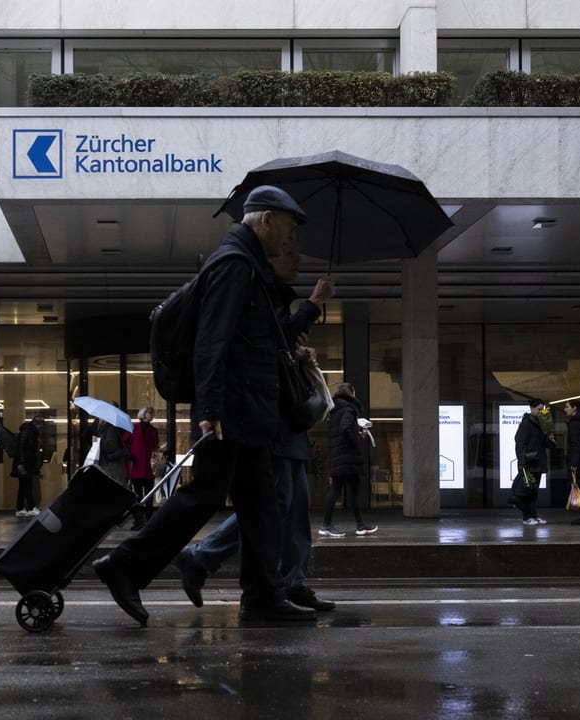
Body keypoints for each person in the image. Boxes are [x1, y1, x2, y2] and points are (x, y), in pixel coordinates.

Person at [92, 185, 316, 625]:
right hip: (230, 410)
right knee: (203, 495)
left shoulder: (251, 267)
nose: (288, 241)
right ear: (266, 220)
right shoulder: (234, 265)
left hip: (248, 411)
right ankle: (125, 565)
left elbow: (250, 340)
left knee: (262, 506)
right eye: (286, 230)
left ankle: (262, 596)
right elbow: (212, 342)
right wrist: (209, 409)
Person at [175, 240, 338, 612]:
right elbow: (261, 347)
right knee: (275, 503)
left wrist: (297, 350)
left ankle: (294, 580)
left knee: (295, 508)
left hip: (289, 418)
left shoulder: (272, 296)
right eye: (292, 252)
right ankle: (202, 556)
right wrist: (315, 301)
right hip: (274, 419)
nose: (298, 260)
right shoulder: (256, 290)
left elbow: (279, 345)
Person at [319, 382, 377, 537]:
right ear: (351, 393)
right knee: (344, 490)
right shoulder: (349, 409)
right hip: (347, 456)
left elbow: (339, 429)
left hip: (340, 455)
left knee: (344, 489)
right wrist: (357, 437)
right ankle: (326, 525)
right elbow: (345, 428)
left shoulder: (335, 410)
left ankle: (360, 525)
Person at [513, 398, 553, 525]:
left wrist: (550, 439)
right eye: (538, 409)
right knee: (527, 491)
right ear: (531, 408)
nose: (541, 412)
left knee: (534, 491)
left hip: (538, 462)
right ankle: (527, 517)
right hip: (529, 464)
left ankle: (534, 515)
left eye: (542, 409)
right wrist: (522, 462)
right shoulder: (526, 423)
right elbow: (520, 443)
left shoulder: (541, 424)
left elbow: (545, 444)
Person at [127, 406, 160, 531]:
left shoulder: (153, 430)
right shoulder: (134, 428)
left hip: (148, 468)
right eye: (149, 413)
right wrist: (128, 454)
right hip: (136, 466)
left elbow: (155, 446)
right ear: (143, 414)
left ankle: (149, 520)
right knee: (138, 496)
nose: (151, 415)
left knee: (149, 495)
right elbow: (125, 440)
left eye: (152, 412)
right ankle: (139, 521)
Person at [11, 414, 44, 518]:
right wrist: (21, 463)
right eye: (41, 425)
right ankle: (31, 507)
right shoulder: (28, 432)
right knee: (27, 485)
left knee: (23, 486)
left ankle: (20, 508)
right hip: (24, 463)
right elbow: (21, 447)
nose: (41, 428)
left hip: (25, 462)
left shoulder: (30, 432)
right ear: (37, 424)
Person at [95, 403, 131, 485]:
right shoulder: (103, 428)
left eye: (101, 417)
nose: (99, 419)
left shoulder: (111, 428)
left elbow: (111, 446)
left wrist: (98, 441)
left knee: (112, 487)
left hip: (111, 464)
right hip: (109, 463)